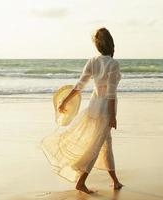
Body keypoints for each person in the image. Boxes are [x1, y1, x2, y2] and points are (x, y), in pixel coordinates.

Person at [41, 27, 123, 194]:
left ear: (98, 45)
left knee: (106, 144)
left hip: (93, 107)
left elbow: (79, 86)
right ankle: (81, 182)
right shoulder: (113, 64)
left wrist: (65, 100)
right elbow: (111, 94)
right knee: (96, 146)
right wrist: (113, 116)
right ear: (111, 44)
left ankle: (115, 181)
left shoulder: (92, 61)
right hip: (105, 110)